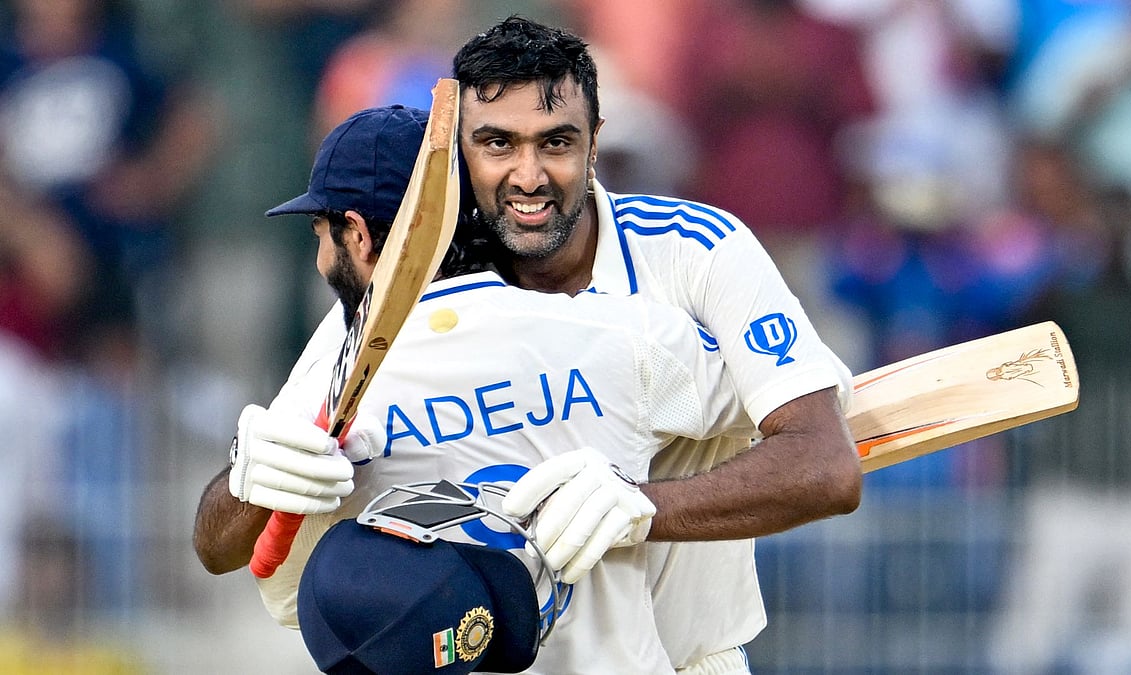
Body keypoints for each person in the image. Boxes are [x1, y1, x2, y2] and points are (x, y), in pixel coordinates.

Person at [193, 103, 760, 673]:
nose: (321, 258)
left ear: (358, 236)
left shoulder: (339, 367)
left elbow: (274, 584)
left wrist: (245, 483)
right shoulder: (626, 332)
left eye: (323, 233)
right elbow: (816, 428)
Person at [446, 16, 861, 672]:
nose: (529, 175)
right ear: (459, 149)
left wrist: (640, 506)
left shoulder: (699, 249)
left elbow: (827, 465)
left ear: (594, 142)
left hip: (688, 661)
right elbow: (227, 536)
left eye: (556, 142)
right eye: (498, 143)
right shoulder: (427, 276)